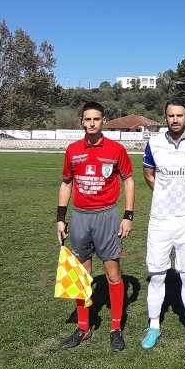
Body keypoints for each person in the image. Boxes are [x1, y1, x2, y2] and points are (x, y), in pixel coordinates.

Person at [56, 102, 135, 351]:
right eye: (87, 119)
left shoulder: (116, 149)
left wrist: (128, 216)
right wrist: (61, 218)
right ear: (81, 121)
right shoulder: (72, 151)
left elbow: (128, 181)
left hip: (107, 216)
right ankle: (83, 328)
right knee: (82, 276)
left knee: (112, 273)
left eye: (97, 119)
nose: (92, 123)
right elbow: (66, 184)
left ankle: (115, 328)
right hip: (80, 217)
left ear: (103, 121)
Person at [141, 98, 185, 352]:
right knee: (157, 275)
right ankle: (154, 325)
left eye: (179, 115)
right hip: (160, 221)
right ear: (165, 117)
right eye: (170, 115)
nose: (175, 120)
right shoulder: (154, 144)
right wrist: (161, 192)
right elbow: (148, 174)